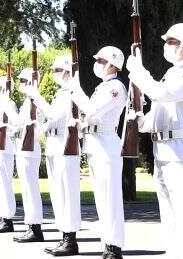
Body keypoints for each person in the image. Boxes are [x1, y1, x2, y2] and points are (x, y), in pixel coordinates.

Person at [126, 23, 183, 259]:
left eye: (170, 41)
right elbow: (158, 116)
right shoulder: (171, 75)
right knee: (171, 226)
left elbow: (161, 94)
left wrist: (138, 71)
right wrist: (139, 121)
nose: (166, 45)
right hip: (163, 152)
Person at [67, 46, 127, 259]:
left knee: (110, 198)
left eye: (101, 61)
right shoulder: (103, 87)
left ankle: (114, 246)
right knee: (101, 199)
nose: (97, 64)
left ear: (112, 64)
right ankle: (107, 243)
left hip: (107, 145)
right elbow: (91, 116)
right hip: (95, 145)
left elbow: (92, 109)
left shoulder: (116, 87)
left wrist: (76, 90)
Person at [28, 56, 82, 256]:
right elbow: (51, 119)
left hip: (65, 144)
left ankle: (71, 239)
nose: (54, 73)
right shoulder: (62, 92)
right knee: (57, 194)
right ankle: (64, 235)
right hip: (54, 143)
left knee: (68, 194)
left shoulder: (71, 91)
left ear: (68, 71)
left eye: (57, 69)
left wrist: (37, 96)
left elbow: (54, 113)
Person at [13, 68, 45, 242]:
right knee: (26, 188)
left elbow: (38, 124)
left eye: (24, 81)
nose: (20, 84)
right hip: (22, 145)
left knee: (31, 188)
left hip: (30, 147)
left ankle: (36, 228)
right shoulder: (27, 101)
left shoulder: (36, 100)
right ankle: (30, 225)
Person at [0, 76, 20, 234]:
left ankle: (7, 219)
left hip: (5, 145)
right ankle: (3, 217)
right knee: (0, 184)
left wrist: (4, 126)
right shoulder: (1, 104)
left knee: (4, 183)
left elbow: (15, 125)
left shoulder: (9, 103)